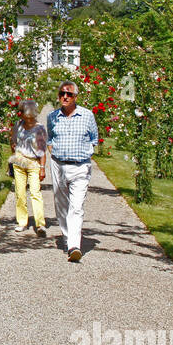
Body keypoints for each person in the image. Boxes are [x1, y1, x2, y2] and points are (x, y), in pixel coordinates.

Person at [46, 81, 98, 261]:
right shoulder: (52, 117)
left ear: (76, 96)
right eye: (62, 94)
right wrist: (55, 156)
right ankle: (68, 237)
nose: (65, 97)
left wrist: (85, 154)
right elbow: (50, 139)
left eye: (69, 94)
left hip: (81, 166)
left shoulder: (87, 115)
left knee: (76, 206)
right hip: (59, 165)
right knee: (61, 205)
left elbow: (94, 138)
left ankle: (74, 245)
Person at [8, 100, 48, 236]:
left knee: (35, 193)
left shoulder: (39, 128)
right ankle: (22, 222)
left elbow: (42, 150)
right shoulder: (18, 126)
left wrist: (42, 168)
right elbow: (12, 140)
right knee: (20, 194)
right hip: (19, 162)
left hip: (33, 163)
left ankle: (40, 224)